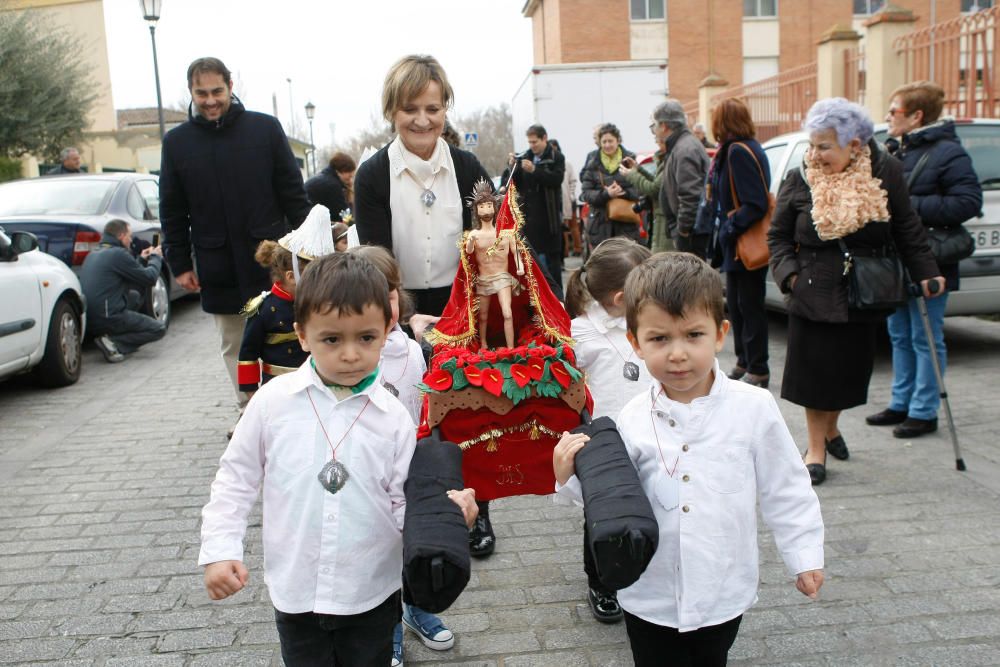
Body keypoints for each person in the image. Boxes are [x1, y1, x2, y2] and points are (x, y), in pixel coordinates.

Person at [199, 252, 478, 667]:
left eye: (365, 338)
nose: (350, 354)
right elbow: (236, 477)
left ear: (386, 330)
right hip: (297, 590)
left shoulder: (394, 418)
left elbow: (402, 500)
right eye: (332, 339)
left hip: (370, 591)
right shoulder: (273, 402)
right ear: (303, 334)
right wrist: (220, 548)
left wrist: (446, 519)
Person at [553, 252, 825, 667]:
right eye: (660, 339)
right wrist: (568, 476)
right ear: (636, 343)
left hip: (722, 586)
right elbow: (609, 500)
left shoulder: (753, 408)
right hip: (649, 591)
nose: (677, 354)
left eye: (693, 335)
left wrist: (803, 555)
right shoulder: (630, 418)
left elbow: (786, 487)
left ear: (720, 334)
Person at [768, 98, 943, 485]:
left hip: (863, 291)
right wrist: (790, 277)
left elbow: (907, 227)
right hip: (812, 290)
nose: (815, 154)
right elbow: (778, 236)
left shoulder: (885, 173)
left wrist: (927, 271)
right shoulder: (801, 177)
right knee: (814, 376)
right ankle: (815, 449)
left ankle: (832, 428)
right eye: (812, 144)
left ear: (855, 145)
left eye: (825, 146)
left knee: (846, 376)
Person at [159, 56, 311, 417]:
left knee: (290, 330)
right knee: (236, 341)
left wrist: (309, 250)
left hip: (272, 263)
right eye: (201, 93)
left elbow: (293, 193)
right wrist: (179, 263)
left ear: (230, 87)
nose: (210, 100)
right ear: (191, 93)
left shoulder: (265, 129)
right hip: (218, 263)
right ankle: (250, 412)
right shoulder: (177, 143)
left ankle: (298, 407)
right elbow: (172, 209)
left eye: (217, 91)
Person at [350, 245, 454, 667]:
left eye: (390, 294)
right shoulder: (349, 358)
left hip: (410, 468)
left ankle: (415, 606)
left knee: (414, 544)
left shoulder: (412, 348)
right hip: (366, 476)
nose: (386, 306)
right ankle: (388, 623)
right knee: (379, 553)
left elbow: (423, 403)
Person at [868, 82, 983, 439]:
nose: (888, 118)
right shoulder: (896, 150)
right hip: (897, 259)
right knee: (898, 333)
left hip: (930, 260)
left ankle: (924, 410)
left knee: (926, 337)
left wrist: (908, 207)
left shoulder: (948, 152)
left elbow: (969, 202)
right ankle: (901, 402)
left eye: (894, 112)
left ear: (917, 116)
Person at [353, 54, 493, 318]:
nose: (422, 120)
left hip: (464, 306)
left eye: (432, 109)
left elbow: (503, 234)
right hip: (400, 308)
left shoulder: (468, 168)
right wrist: (404, 318)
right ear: (391, 111)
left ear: (445, 110)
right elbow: (376, 263)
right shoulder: (371, 176)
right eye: (409, 109)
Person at [564, 236, 651, 624]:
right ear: (619, 297)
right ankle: (601, 580)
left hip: (649, 430)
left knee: (648, 498)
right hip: (605, 438)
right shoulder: (581, 331)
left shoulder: (650, 319)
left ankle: (643, 566)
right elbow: (568, 384)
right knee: (602, 511)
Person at [236, 205, 336, 398]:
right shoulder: (263, 308)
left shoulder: (318, 303)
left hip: (316, 385)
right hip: (277, 388)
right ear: (291, 277)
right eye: (314, 275)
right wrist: (252, 396)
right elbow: (247, 356)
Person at [710, 98, 772, 388]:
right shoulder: (738, 149)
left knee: (748, 306)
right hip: (735, 244)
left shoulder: (737, 152)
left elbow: (755, 202)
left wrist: (730, 228)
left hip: (742, 243)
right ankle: (745, 361)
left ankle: (757, 366)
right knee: (737, 305)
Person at [80, 219, 166, 363]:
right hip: (108, 316)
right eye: (129, 235)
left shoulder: (94, 253)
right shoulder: (118, 254)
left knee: (134, 296)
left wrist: (141, 259)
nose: (131, 239)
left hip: (90, 317)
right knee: (158, 329)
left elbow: (130, 275)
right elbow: (150, 278)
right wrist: (156, 258)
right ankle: (114, 343)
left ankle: (112, 336)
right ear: (120, 235)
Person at [500, 124, 566, 292]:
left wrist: (535, 170)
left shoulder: (556, 157)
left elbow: (556, 180)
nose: (532, 146)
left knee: (552, 266)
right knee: (533, 265)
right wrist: (511, 165)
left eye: (535, 142)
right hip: (529, 220)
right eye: (529, 142)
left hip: (549, 219)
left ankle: (559, 300)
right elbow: (511, 182)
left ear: (544, 138)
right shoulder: (524, 156)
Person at [464, 180, 525, 349]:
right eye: (482, 206)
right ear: (476, 210)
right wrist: (470, 242)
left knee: (507, 313)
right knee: (482, 315)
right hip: (484, 279)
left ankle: (511, 347)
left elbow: (516, 251)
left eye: (489, 205)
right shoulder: (475, 234)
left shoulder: (505, 233)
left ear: (495, 207)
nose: (486, 209)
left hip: (503, 278)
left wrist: (519, 267)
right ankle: (483, 344)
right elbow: (468, 253)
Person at [656, 100, 711, 259]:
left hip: (692, 235)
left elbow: (690, 195)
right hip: (689, 232)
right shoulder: (681, 145)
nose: (654, 130)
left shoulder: (685, 149)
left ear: (664, 126)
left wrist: (683, 231)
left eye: (655, 125)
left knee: (693, 280)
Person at [580, 123, 642, 250]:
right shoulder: (592, 162)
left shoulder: (630, 160)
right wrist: (606, 194)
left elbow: (640, 189)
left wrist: (622, 193)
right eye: (604, 142)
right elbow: (586, 193)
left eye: (610, 141)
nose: (607, 145)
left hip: (626, 224)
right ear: (599, 142)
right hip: (600, 225)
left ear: (618, 140)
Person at [619, 123, 670, 253]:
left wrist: (631, 174)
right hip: (661, 220)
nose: (657, 144)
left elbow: (653, 188)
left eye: (658, 141)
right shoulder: (667, 158)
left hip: (665, 221)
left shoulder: (670, 158)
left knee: (662, 262)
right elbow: (657, 182)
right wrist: (638, 168)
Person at [548, 139, 581, 257]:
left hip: (568, 200)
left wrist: (571, 194)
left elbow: (573, 181)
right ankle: (565, 252)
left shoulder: (566, 163)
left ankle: (578, 248)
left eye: (554, 147)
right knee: (562, 228)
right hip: (557, 201)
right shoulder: (548, 164)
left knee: (573, 226)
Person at [305, 152, 357, 222]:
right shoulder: (332, 185)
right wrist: (350, 196)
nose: (351, 180)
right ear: (340, 170)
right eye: (350, 176)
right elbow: (346, 217)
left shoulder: (325, 178)